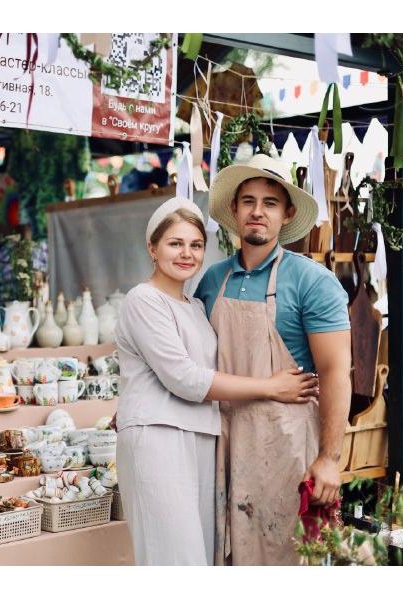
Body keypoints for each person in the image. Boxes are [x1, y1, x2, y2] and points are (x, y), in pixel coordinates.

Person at [114, 196, 318, 566]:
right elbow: (185, 378)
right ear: (152, 247)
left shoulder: (194, 306)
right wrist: (270, 387)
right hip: (158, 438)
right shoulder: (143, 300)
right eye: (175, 243)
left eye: (195, 245)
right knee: (176, 562)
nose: (186, 254)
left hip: (202, 437)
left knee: (202, 559)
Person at [194, 153, 352, 565]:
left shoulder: (311, 280)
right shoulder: (212, 280)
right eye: (248, 201)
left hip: (285, 447)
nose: (257, 212)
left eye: (269, 202)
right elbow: (190, 365)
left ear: (286, 214)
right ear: (234, 210)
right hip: (222, 442)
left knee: (287, 560)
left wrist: (330, 460)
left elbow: (336, 373)